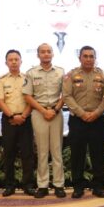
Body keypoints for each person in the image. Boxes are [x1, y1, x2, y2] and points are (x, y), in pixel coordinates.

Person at [62, 45, 104, 198]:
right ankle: (78, 186)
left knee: (98, 154)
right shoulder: (71, 75)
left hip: (97, 120)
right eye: (85, 56)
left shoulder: (103, 75)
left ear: (95, 58)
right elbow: (67, 96)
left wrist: (96, 113)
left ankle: (98, 186)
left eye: (91, 56)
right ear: (80, 58)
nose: (88, 59)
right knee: (77, 155)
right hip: (77, 121)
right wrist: (82, 113)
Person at [25, 43, 66, 198]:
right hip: (39, 113)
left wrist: (55, 110)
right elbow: (28, 96)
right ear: (38, 55)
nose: (46, 54)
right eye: (43, 52)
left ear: (53, 54)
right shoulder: (31, 73)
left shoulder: (61, 72)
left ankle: (58, 185)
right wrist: (43, 111)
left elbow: (65, 94)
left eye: (49, 51)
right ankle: (42, 185)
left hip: (56, 113)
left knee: (56, 150)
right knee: (42, 151)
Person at [0, 50, 35, 196]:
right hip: (9, 120)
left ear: (21, 61)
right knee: (9, 154)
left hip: (26, 119)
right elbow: (0, 101)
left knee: (27, 154)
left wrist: (23, 116)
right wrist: (12, 116)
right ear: (6, 62)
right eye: (10, 60)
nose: (13, 62)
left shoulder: (27, 79)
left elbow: (31, 100)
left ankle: (28, 185)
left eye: (16, 59)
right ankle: (9, 185)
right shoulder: (1, 80)